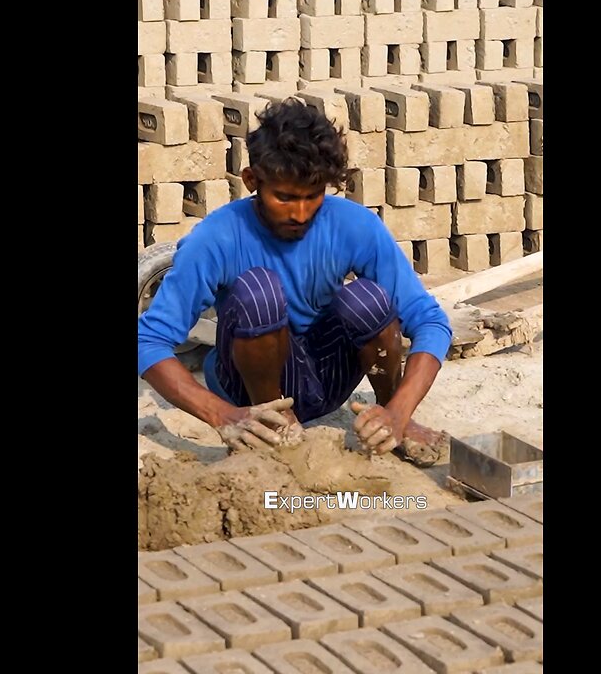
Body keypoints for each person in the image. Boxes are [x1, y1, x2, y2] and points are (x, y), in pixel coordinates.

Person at [138, 98, 452, 466]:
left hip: (324, 378)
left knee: (368, 300)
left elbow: (430, 320)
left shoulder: (353, 225)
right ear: (252, 180)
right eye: (284, 197)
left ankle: (390, 421)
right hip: (246, 389)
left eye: (312, 197)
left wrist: (400, 410)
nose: (300, 214)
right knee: (259, 291)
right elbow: (149, 341)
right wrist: (222, 414)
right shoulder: (217, 237)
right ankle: (276, 426)